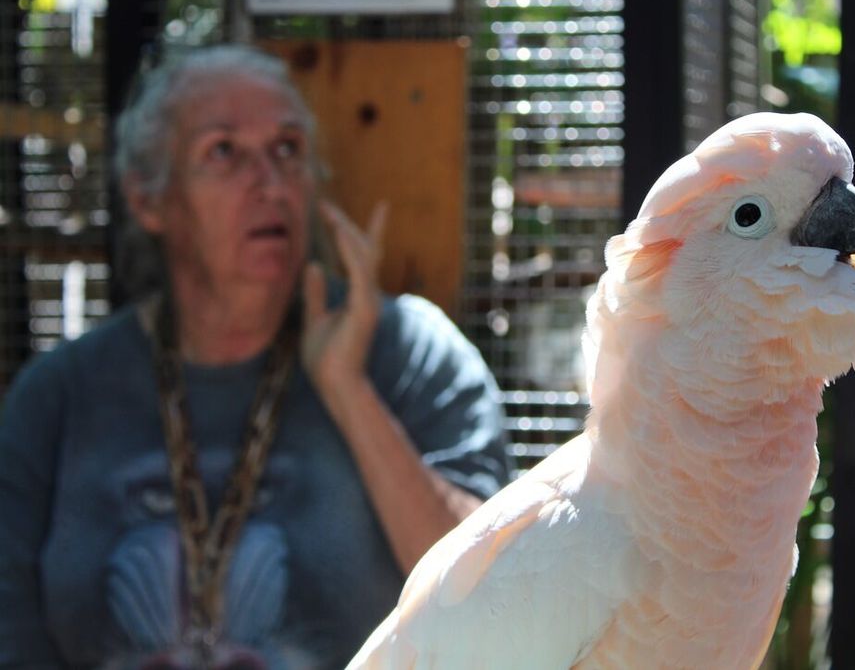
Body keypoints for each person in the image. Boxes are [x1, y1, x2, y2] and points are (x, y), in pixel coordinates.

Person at [0, 45, 511, 668]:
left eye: (288, 150)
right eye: (224, 152)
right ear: (149, 200)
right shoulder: (58, 396)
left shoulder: (409, 351)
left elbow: (490, 597)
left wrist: (349, 389)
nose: (269, 183)